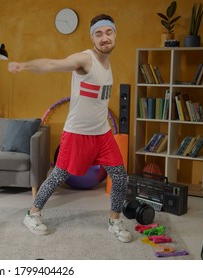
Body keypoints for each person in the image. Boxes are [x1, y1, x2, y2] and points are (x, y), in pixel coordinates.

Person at [8, 14, 132, 243]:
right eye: (99, 34)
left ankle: (115, 220)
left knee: (119, 175)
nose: (105, 38)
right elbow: (53, 64)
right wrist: (25, 65)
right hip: (77, 132)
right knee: (59, 175)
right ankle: (32, 214)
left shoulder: (107, 63)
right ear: (92, 38)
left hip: (102, 132)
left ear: (115, 34)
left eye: (108, 32)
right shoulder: (85, 60)